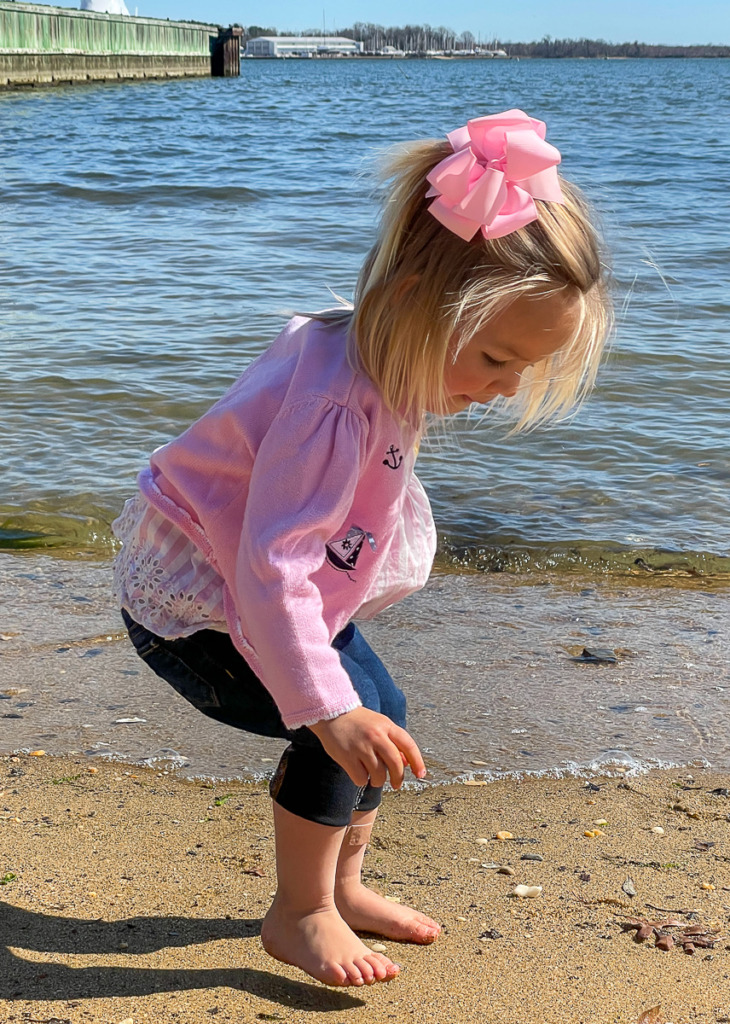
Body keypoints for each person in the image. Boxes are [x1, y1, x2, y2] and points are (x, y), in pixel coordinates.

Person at [112, 109, 613, 988]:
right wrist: (324, 709)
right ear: (420, 301)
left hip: (274, 583)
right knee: (336, 733)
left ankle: (342, 884)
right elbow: (270, 565)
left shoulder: (383, 350)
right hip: (201, 604)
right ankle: (298, 912)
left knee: (385, 712)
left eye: (524, 372)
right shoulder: (336, 408)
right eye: (497, 359)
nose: (505, 390)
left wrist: (346, 704)